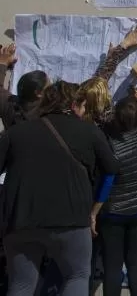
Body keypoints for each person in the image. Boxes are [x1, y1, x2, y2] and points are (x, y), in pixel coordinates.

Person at [0, 81, 119, 296]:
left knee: (21, 284)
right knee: (77, 275)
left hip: (20, 219)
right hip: (71, 219)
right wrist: (94, 211)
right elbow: (111, 168)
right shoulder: (89, 132)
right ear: (75, 105)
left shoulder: (17, 132)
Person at [91, 63, 137, 296]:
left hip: (112, 212)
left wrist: (94, 212)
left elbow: (98, 101)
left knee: (112, 267)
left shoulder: (107, 137)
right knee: (136, 265)